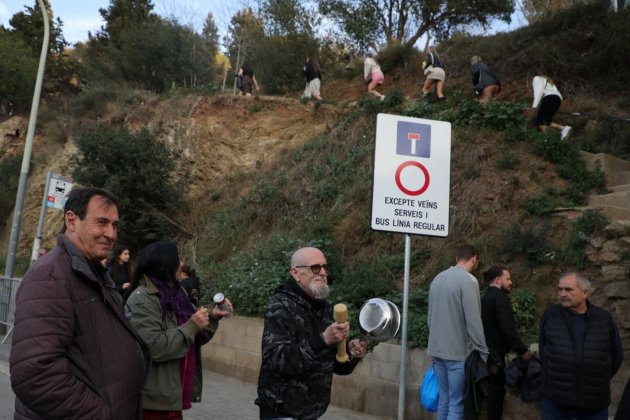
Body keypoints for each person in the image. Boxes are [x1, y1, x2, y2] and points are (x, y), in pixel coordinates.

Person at [10, 187, 150, 419]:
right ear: (72, 221)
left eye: (114, 225)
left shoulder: (91, 272)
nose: (111, 233)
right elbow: (35, 375)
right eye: (102, 222)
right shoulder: (50, 276)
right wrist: (101, 415)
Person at [255, 246, 368, 419]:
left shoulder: (327, 309)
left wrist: (352, 353)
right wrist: (323, 339)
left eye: (324, 267)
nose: (322, 272)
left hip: (313, 412)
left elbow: (338, 367)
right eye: (315, 267)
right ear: (296, 273)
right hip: (282, 411)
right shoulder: (280, 306)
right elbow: (279, 360)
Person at [125, 240, 232, 418]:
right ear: (165, 264)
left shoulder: (177, 294)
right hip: (154, 403)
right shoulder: (142, 299)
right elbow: (152, 347)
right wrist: (191, 326)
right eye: (178, 259)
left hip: (174, 397)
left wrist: (212, 316)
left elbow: (195, 337)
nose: (181, 264)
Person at [539, 271, 623, 420]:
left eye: (568, 289)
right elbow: (544, 351)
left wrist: (595, 378)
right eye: (560, 289)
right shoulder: (551, 315)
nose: (562, 294)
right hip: (556, 401)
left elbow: (616, 356)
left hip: (594, 402)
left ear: (585, 293)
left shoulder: (603, 319)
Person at [427, 244, 489, 420]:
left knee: (444, 401)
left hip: (437, 351)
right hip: (458, 354)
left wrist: (433, 346)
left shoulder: (437, 279)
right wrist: (483, 353)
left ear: (456, 259)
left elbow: (430, 318)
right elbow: (474, 321)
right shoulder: (469, 281)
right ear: (474, 259)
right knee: (456, 403)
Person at [481, 266, 532, 420]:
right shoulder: (500, 299)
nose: (511, 282)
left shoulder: (484, 298)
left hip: (486, 354)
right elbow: (508, 329)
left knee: (492, 393)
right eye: (507, 279)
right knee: (497, 393)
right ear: (498, 280)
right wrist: (523, 351)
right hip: (499, 356)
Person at [530, 74, 572, 140]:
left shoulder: (537, 78)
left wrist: (534, 106)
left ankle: (548, 139)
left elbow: (539, 91)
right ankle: (563, 128)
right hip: (557, 99)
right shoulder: (549, 82)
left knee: (540, 122)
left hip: (549, 98)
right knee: (546, 121)